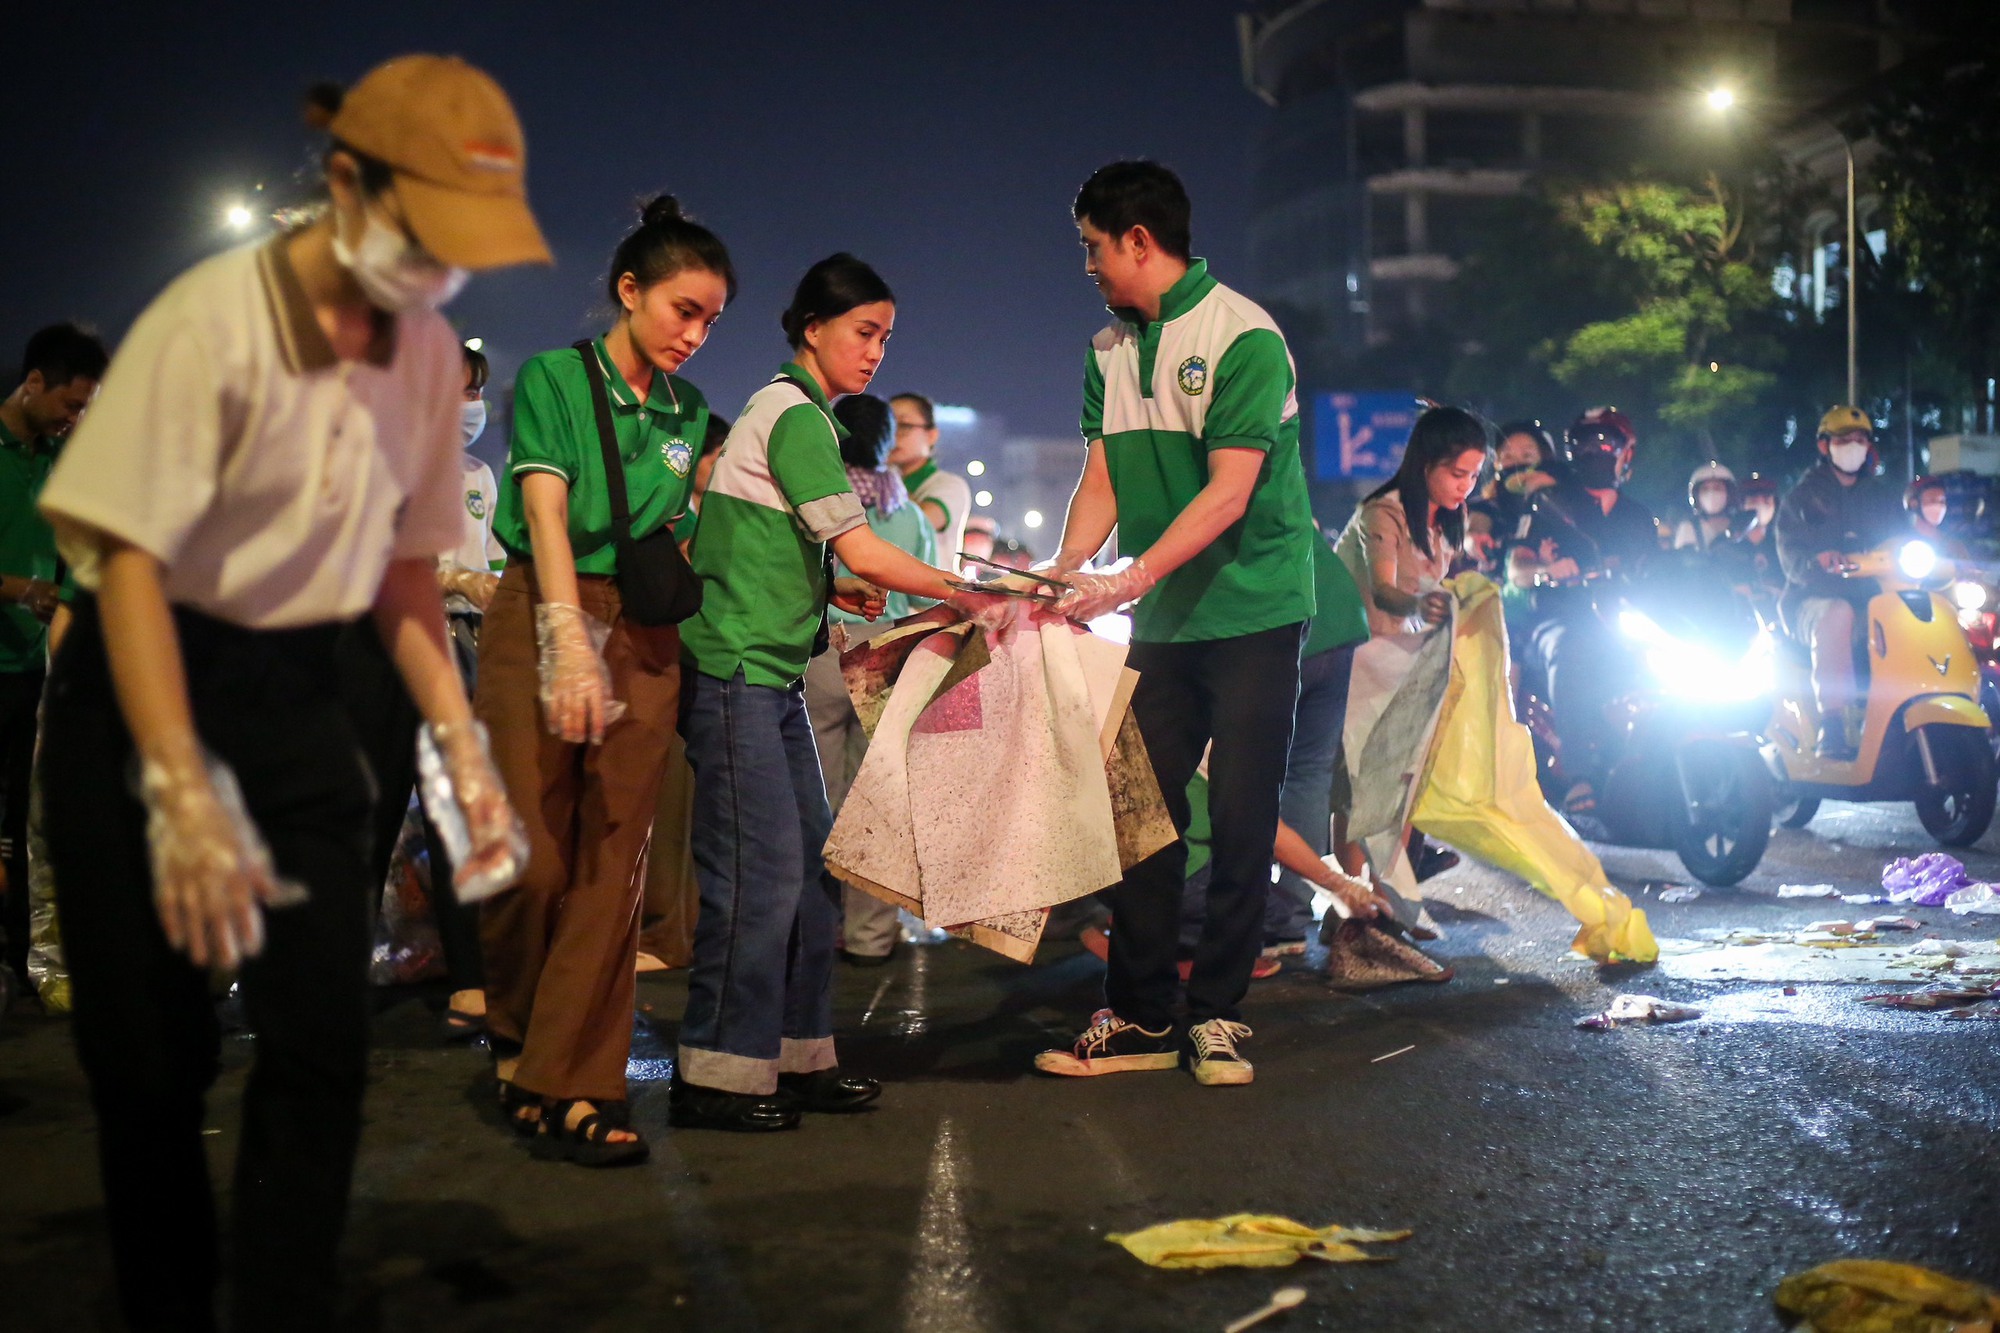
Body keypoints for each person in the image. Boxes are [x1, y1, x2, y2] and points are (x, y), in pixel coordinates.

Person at [36, 55, 540, 1328]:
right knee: (150, 1057)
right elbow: (131, 560)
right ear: (342, 186)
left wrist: (458, 739)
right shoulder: (211, 321)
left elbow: (403, 570)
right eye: (419, 237)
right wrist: (177, 787)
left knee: (322, 1033)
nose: (433, 277)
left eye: (458, 254)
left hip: (297, 694)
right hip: (138, 681)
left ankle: (279, 1297)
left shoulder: (425, 357)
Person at [672, 253, 999, 1131]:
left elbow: (806, 550)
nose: (876, 353)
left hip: (775, 670)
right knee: (758, 874)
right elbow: (863, 550)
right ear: (811, 327)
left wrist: (830, 585)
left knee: (814, 862)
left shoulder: (802, 416)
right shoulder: (792, 415)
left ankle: (794, 1053)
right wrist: (961, 590)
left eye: (885, 338)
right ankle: (715, 1070)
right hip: (737, 669)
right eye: (864, 332)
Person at [1033, 160, 1318, 1088]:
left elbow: (1229, 493)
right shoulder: (1106, 349)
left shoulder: (1245, 337)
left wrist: (1127, 579)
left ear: (1138, 241)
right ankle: (1148, 1014)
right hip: (1162, 618)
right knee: (1137, 819)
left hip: (1252, 616)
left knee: (1239, 821)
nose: (1088, 268)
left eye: (1092, 247)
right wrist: (1065, 571)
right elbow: (1106, 477)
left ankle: (1220, 1016)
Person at [476, 195, 729, 1167]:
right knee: (532, 853)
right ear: (629, 291)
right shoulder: (552, 378)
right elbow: (544, 505)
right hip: (541, 606)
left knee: (611, 863)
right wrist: (560, 630)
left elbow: (688, 521)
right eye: (682, 309)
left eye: (710, 319)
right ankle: (517, 1030)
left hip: (644, 634)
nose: (695, 334)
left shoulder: (688, 413)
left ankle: (575, 1082)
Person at [805, 391, 938, 966]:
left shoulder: (820, 502)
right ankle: (869, 938)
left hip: (819, 655)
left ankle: (808, 930)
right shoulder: (905, 512)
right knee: (878, 803)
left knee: (811, 799)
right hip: (888, 655)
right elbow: (923, 596)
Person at [0, 322, 105, 993]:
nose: (76, 419)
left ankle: (21, 966)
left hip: (32, 673)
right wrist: (19, 588)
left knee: (23, 830)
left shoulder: (61, 459)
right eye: (69, 404)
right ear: (33, 381)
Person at [1510, 407, 1658, 808]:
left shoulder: (1640, 518)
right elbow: (1517, 568)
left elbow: (1662, 577)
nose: (1596, 451)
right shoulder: (1549, 504)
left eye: (1606, 442)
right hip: (1558, 622)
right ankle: (1580, 775)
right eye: (1585, 444)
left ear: (1626, 452)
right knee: (1573, 649)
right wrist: (1546, 569)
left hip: (1624, 623)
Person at [1775, 406, 1902, 759]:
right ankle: (1832, 724)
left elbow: (1902, 542)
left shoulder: (1882, 498)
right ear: (1824, 446)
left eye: (1860, 440)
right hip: (1810, 603)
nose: (1853, 446)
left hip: (1872, 601)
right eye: (1844, 439)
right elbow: (1791, 561)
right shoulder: (1801, 499)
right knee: (1839, 612)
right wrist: (1816, 562)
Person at [1335, 406, 1488, 639]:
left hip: (1399, 642)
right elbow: (1383, 591)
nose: (1466, 486)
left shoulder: (1453, 513)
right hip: (1350, 644)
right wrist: (1419, 606)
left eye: (1474, 476)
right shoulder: (1383, 512)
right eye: (1458, 474)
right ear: (1426, 466)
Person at [889, 391, 973, 570]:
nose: (893, 435)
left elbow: (921, 521)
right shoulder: (875, 484)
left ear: (931, 435)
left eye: (903, 426)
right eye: (887, 426)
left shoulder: (949, 485)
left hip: (934, 597)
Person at [1673, 461, 1738, 552]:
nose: (1711, 494)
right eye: (1705, 489)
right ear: (1696, 496)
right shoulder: (1688, 528)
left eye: (1717, 488)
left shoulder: (1739, 525)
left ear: (1729, 494)